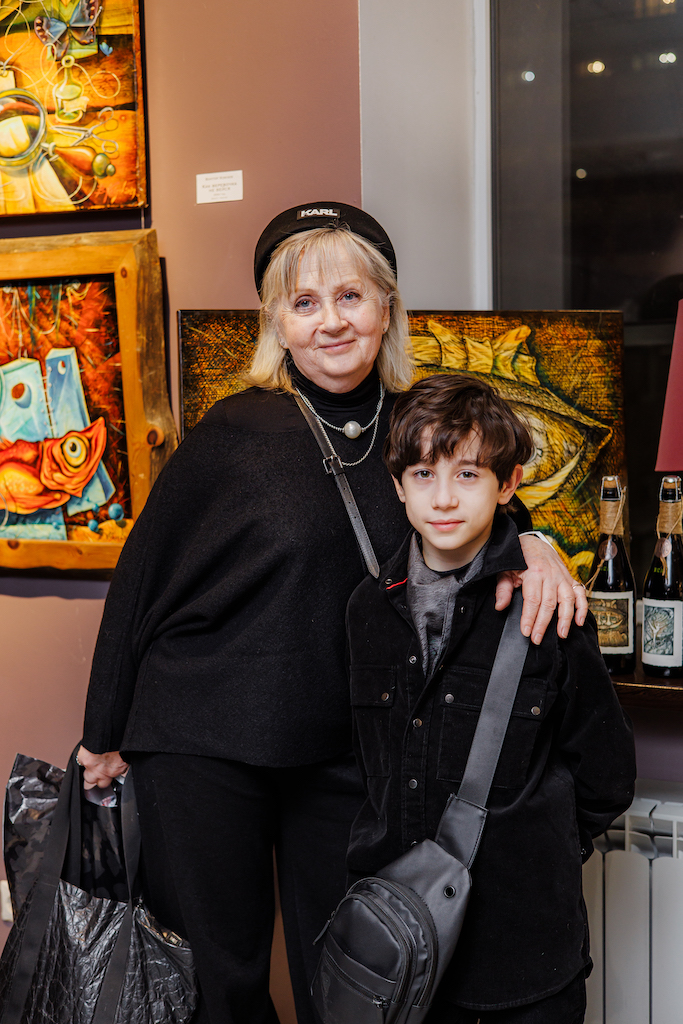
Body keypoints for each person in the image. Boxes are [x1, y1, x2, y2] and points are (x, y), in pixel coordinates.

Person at [77, 203, 589, 1024]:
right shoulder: (232, 430)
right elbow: (140, 580)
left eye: (349, 296)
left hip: (346, 745)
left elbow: (480, 506)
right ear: (276, 322)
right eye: (304, 303)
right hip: (202, 737)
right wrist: (101, 731)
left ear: (386, 305)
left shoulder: (418, 424)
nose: (330, 322)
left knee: (352, 977)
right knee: (220, 980)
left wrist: (536, 544)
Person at [345, 373, 636, 1024]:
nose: (444, 497)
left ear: (507, 484)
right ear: (397, 485)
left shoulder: (547, 606)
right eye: (423, 474)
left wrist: (538, 846)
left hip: (523, 954)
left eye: (468, 474)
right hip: (401, 953)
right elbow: (364, 765)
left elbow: (607, 775)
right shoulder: (367, 609)